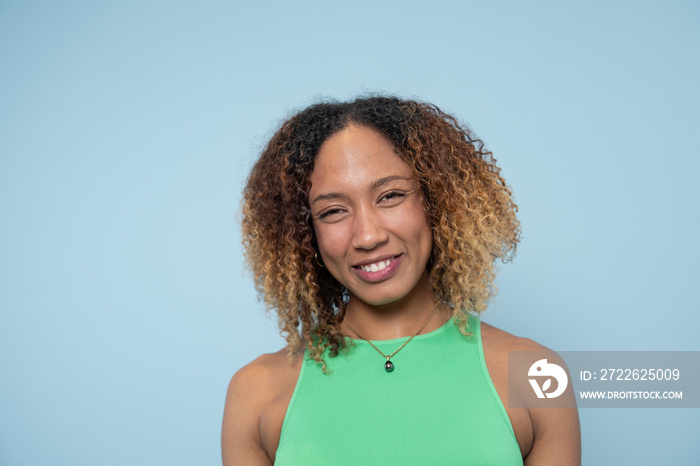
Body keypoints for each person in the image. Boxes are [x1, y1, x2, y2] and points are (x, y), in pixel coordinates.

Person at [221, 96, 581, 465]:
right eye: (332, 211)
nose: (367, 236)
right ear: (305, 232)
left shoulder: (537, 374)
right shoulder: (255, 393)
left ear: (438, 201)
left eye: (390, 196)